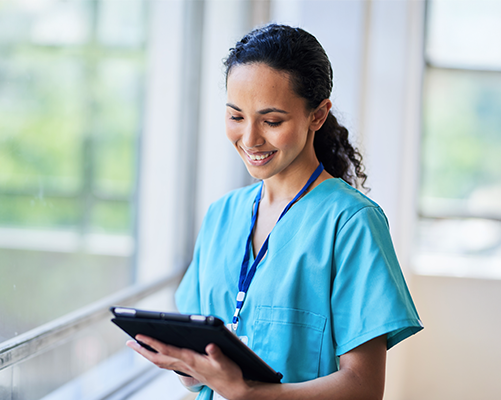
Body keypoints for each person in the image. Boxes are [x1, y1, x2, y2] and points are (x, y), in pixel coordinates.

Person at [126, 24, 423, 400]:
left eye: (271, 121)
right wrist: (182, 362)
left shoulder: (351, 223)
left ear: (317, 116)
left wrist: (249, 393)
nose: (250, 139)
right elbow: (199, 378)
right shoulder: (222, 215)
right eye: (236, 117)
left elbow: (362, 388)